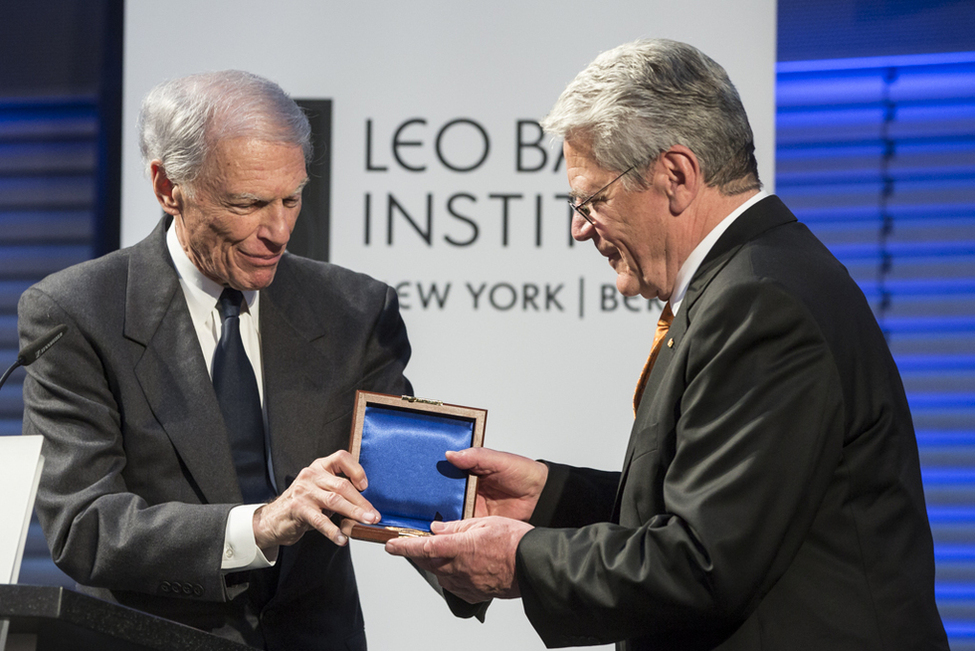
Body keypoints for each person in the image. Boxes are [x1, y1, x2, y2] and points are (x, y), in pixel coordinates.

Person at [386, 39, 949, 650]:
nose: (579, 227)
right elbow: (706, 507)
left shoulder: (762, 303)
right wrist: (550, 498)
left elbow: (705, 561)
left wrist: (525, 560)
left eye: (592, 199)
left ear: (675, 175)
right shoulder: (749, 282)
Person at [18, 70, 412, 650]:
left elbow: (396, 477)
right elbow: (86, 527)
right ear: (166, 186)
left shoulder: (355, 309)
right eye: (248, 203)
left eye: (292, 198)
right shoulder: (77, 313)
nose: (278, 231)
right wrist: (258, 526)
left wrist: (484, 546)